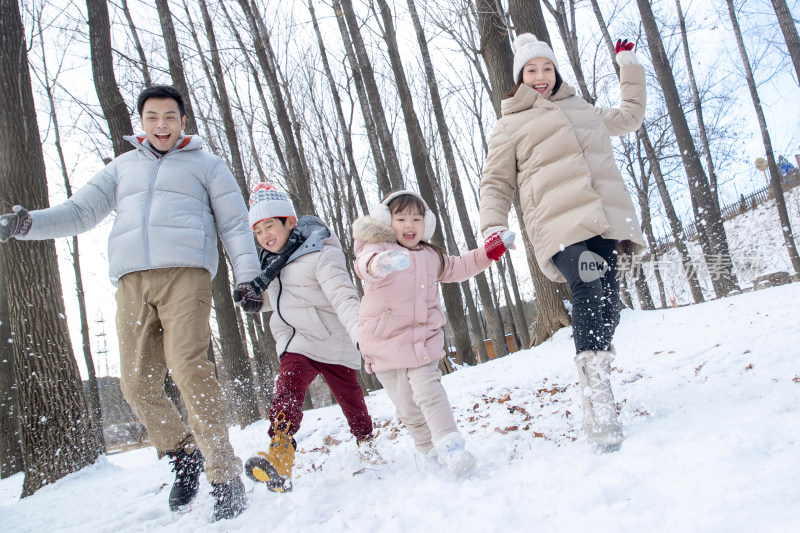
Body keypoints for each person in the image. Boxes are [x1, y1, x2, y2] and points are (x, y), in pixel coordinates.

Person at [0, 85, 258, 521]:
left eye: (170, 117)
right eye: (153, 117)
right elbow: (79, 212)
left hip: (186, 274)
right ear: (141, 122)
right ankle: (183, 453)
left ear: (183, 122)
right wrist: (28, 224)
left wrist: (248, 277)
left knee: (191, 371)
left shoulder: (208, 166)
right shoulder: (121, 169)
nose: (161, 125)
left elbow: (234, 223)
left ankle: (224, 474)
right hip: (131, 282)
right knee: (136, 382)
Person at [479, 34, 647, 452]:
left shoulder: (581, 108)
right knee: (589, 286)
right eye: (531, 70)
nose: (540, 76)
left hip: (602, 223)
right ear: (519, 77)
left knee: (608, 303)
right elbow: (496, 180)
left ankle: (599, 377)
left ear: (556, 73)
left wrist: (628, 66)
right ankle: (597, 399)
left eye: (547, 68)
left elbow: (629, 117)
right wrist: (492, 224)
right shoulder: (510, 124)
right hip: (560, 227)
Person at [352, 190, 514, 476]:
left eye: (416, 218)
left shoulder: (430, 255)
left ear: (426, 223)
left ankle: (452, 448)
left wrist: (490, 252)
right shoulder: (375, 248)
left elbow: (460, 266)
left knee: (430, 391)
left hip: (422, 341)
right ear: (386, 222)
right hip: (384, 344)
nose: (409, 224)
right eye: (400, 218)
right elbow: (365, 266)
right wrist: (383, 263)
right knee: (408, 408)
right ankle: (428, 450)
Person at [233, 182, 380, 493]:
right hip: (296, 343)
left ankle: (366, 441)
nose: (264, 236)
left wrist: (360, 334)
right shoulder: (270, 264)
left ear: (290, 222)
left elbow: (342, 295)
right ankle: (280, 455)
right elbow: (282, 300)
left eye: (270, 225)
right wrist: (255, 302)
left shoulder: (320, 252)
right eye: (257, 231)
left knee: (351, 401)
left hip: (331, 340)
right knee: (286, 390)